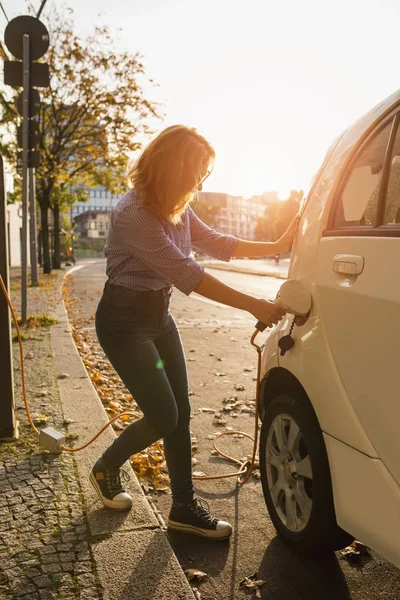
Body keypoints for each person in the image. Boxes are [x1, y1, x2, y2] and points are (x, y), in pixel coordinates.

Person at [90, 125, 299, 540]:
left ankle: (183, 508)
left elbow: (217, 243)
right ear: (173, 168)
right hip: (124, 322)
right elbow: (191, 275)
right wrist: (254, 305)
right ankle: (107, 466)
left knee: (181, 414)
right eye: (198, 171)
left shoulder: (177, 206)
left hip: (158, 317)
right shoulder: (134, 214)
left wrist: (280, 242)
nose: (201, 182)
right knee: (163, 416)